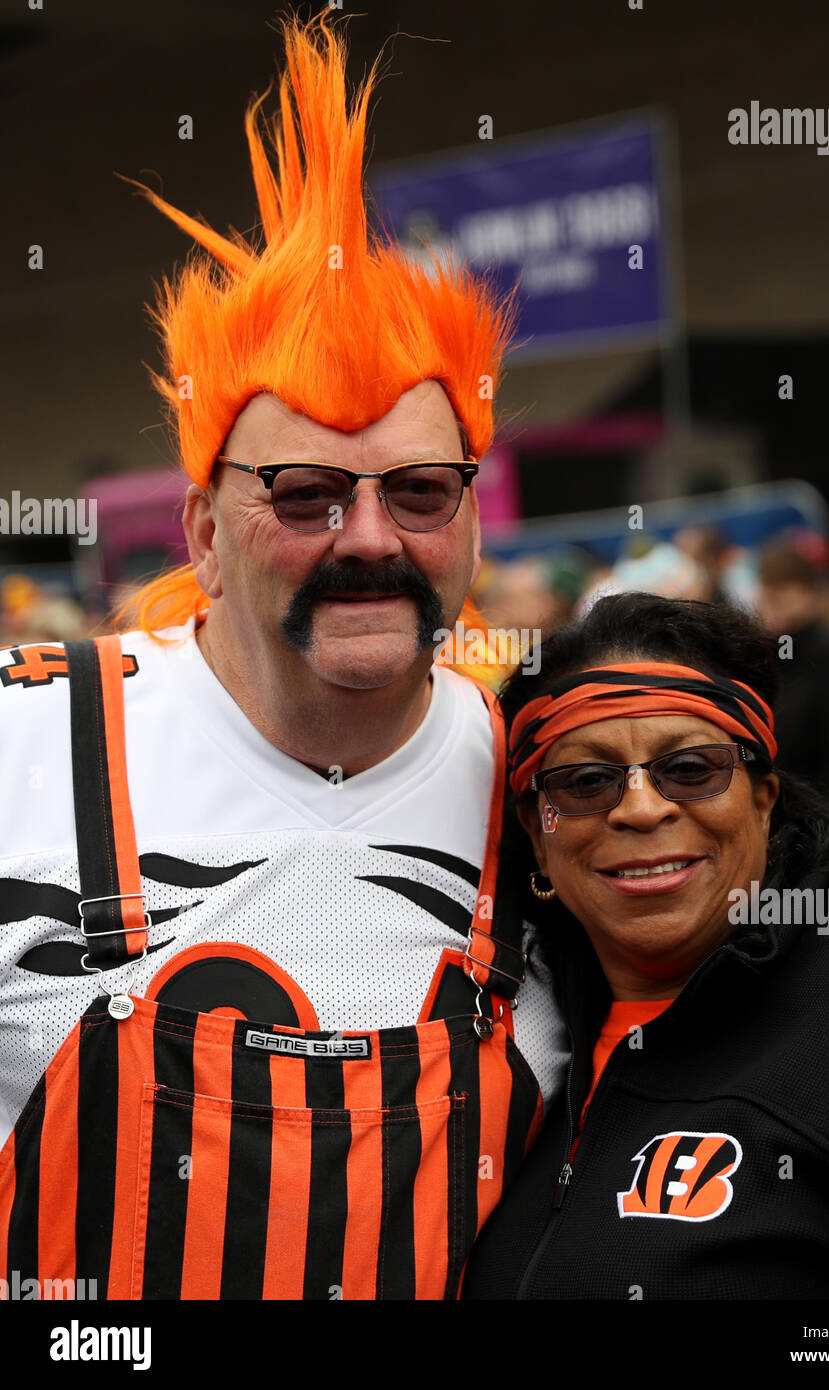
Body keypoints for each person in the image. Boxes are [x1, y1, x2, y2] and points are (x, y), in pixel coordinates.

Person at [0, 15, 567, 1301]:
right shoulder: (21, 750)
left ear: (473, 516)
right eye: (303, 493)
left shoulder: (557, 787)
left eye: (419, 490)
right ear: (204, 530)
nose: (368, 538)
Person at [462, 593, 829, 1299]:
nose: (641, 808)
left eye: (690, 769)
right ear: (538, 834)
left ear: (763, 799)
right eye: (586, 782)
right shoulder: (501, 1039)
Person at [756, 541, 829, 813]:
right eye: (767, 597)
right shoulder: (766, 650)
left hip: (815, 809)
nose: (772, 608)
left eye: (780, 598)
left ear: (808, 595)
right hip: (774, 802)